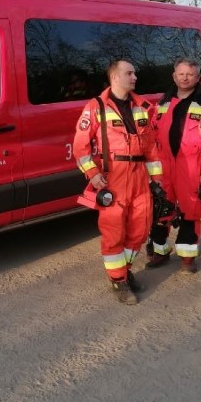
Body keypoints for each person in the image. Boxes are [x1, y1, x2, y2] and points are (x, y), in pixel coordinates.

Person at [72, 59, 164, 304]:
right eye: (129, 73)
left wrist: (156, 179)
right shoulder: (96, 107)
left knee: (140, 228)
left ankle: (125, 270)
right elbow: (80, 147)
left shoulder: (142, 106)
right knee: (114, 231)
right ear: (115, 77)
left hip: (139, 176)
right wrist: (92, 174)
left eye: (135, 73)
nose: (134, 77)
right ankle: (118, 280)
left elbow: (152, 148)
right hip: (113, 177)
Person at [146, 58, 201, 274]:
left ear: (198, 77)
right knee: (160, 209)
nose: (185, 78)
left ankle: (188, 256)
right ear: (174, 76)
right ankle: (160, 251)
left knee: (191, 210)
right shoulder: (161, 104)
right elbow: (150, 135)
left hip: (192, 166)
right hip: (164, 166)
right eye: (181, 74)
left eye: (190, 74)